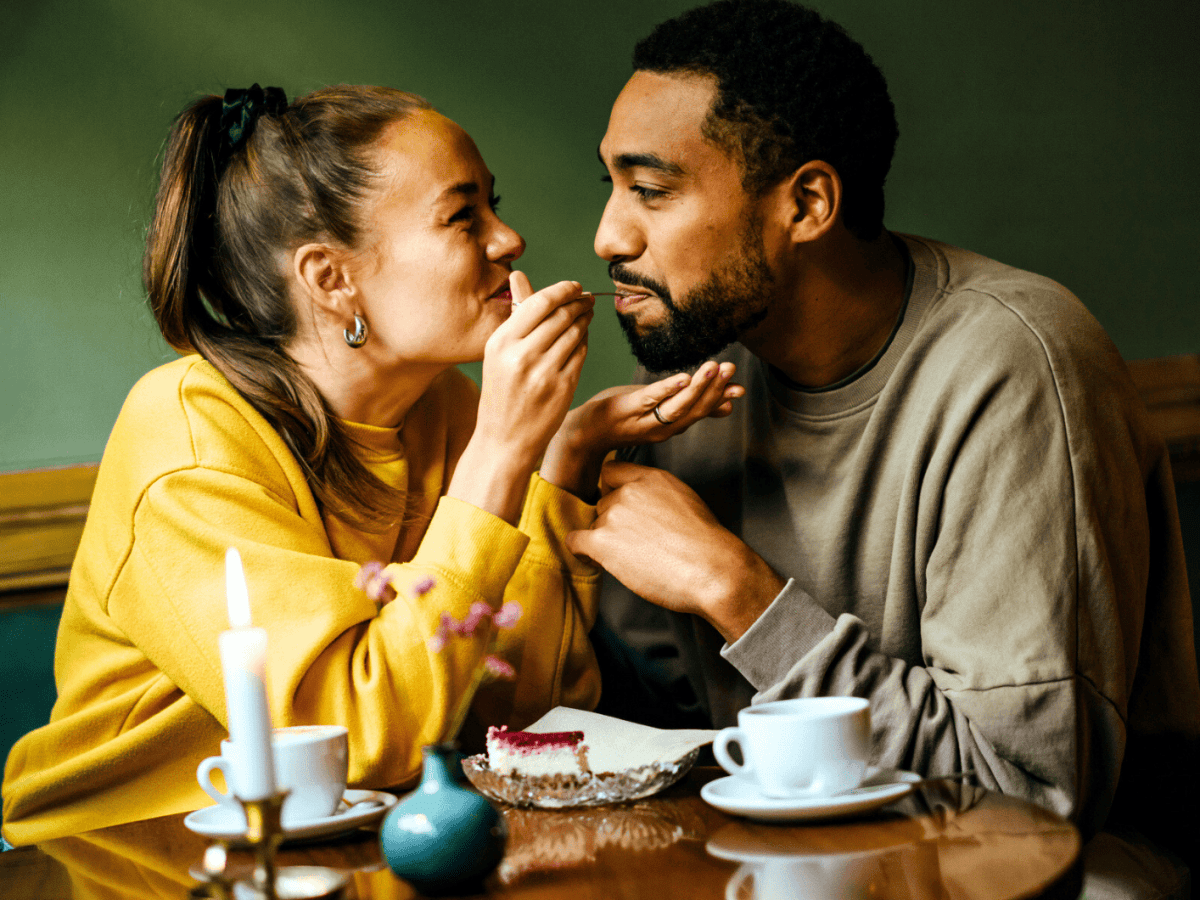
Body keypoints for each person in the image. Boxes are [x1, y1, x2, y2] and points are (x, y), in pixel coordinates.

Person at [565, 0, 1200, 891]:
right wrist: (554, 470)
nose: (608, 236)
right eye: (611, 186)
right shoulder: (700, 375)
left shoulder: (1015, 364)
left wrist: (737, 592)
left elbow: (1024, 802)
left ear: (807, 204)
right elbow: (652, 727)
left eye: (653, 190)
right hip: (786, 862)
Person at [1, 83, 739, 845]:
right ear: (331, 278)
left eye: (494, 206)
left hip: (341, 845)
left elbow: (524, 714)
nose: (508, 239)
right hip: (116, 854)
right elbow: (356, 742)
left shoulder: (444, 407)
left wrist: (559, 459)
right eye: (463, 217)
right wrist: (500, 451)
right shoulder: (187, 439)